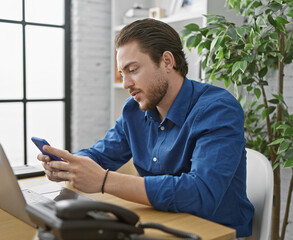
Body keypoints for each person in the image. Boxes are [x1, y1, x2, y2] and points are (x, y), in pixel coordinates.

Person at [38, 18, 254, 237]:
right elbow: (100, 154)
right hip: (160, 222)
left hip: (214, 233)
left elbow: (200, 193)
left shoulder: (217, 109)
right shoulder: (134, 110)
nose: (126, 84)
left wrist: (105, 181)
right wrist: (68, 165)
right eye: (123, 74)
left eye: (133, 69)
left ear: (167, 62)